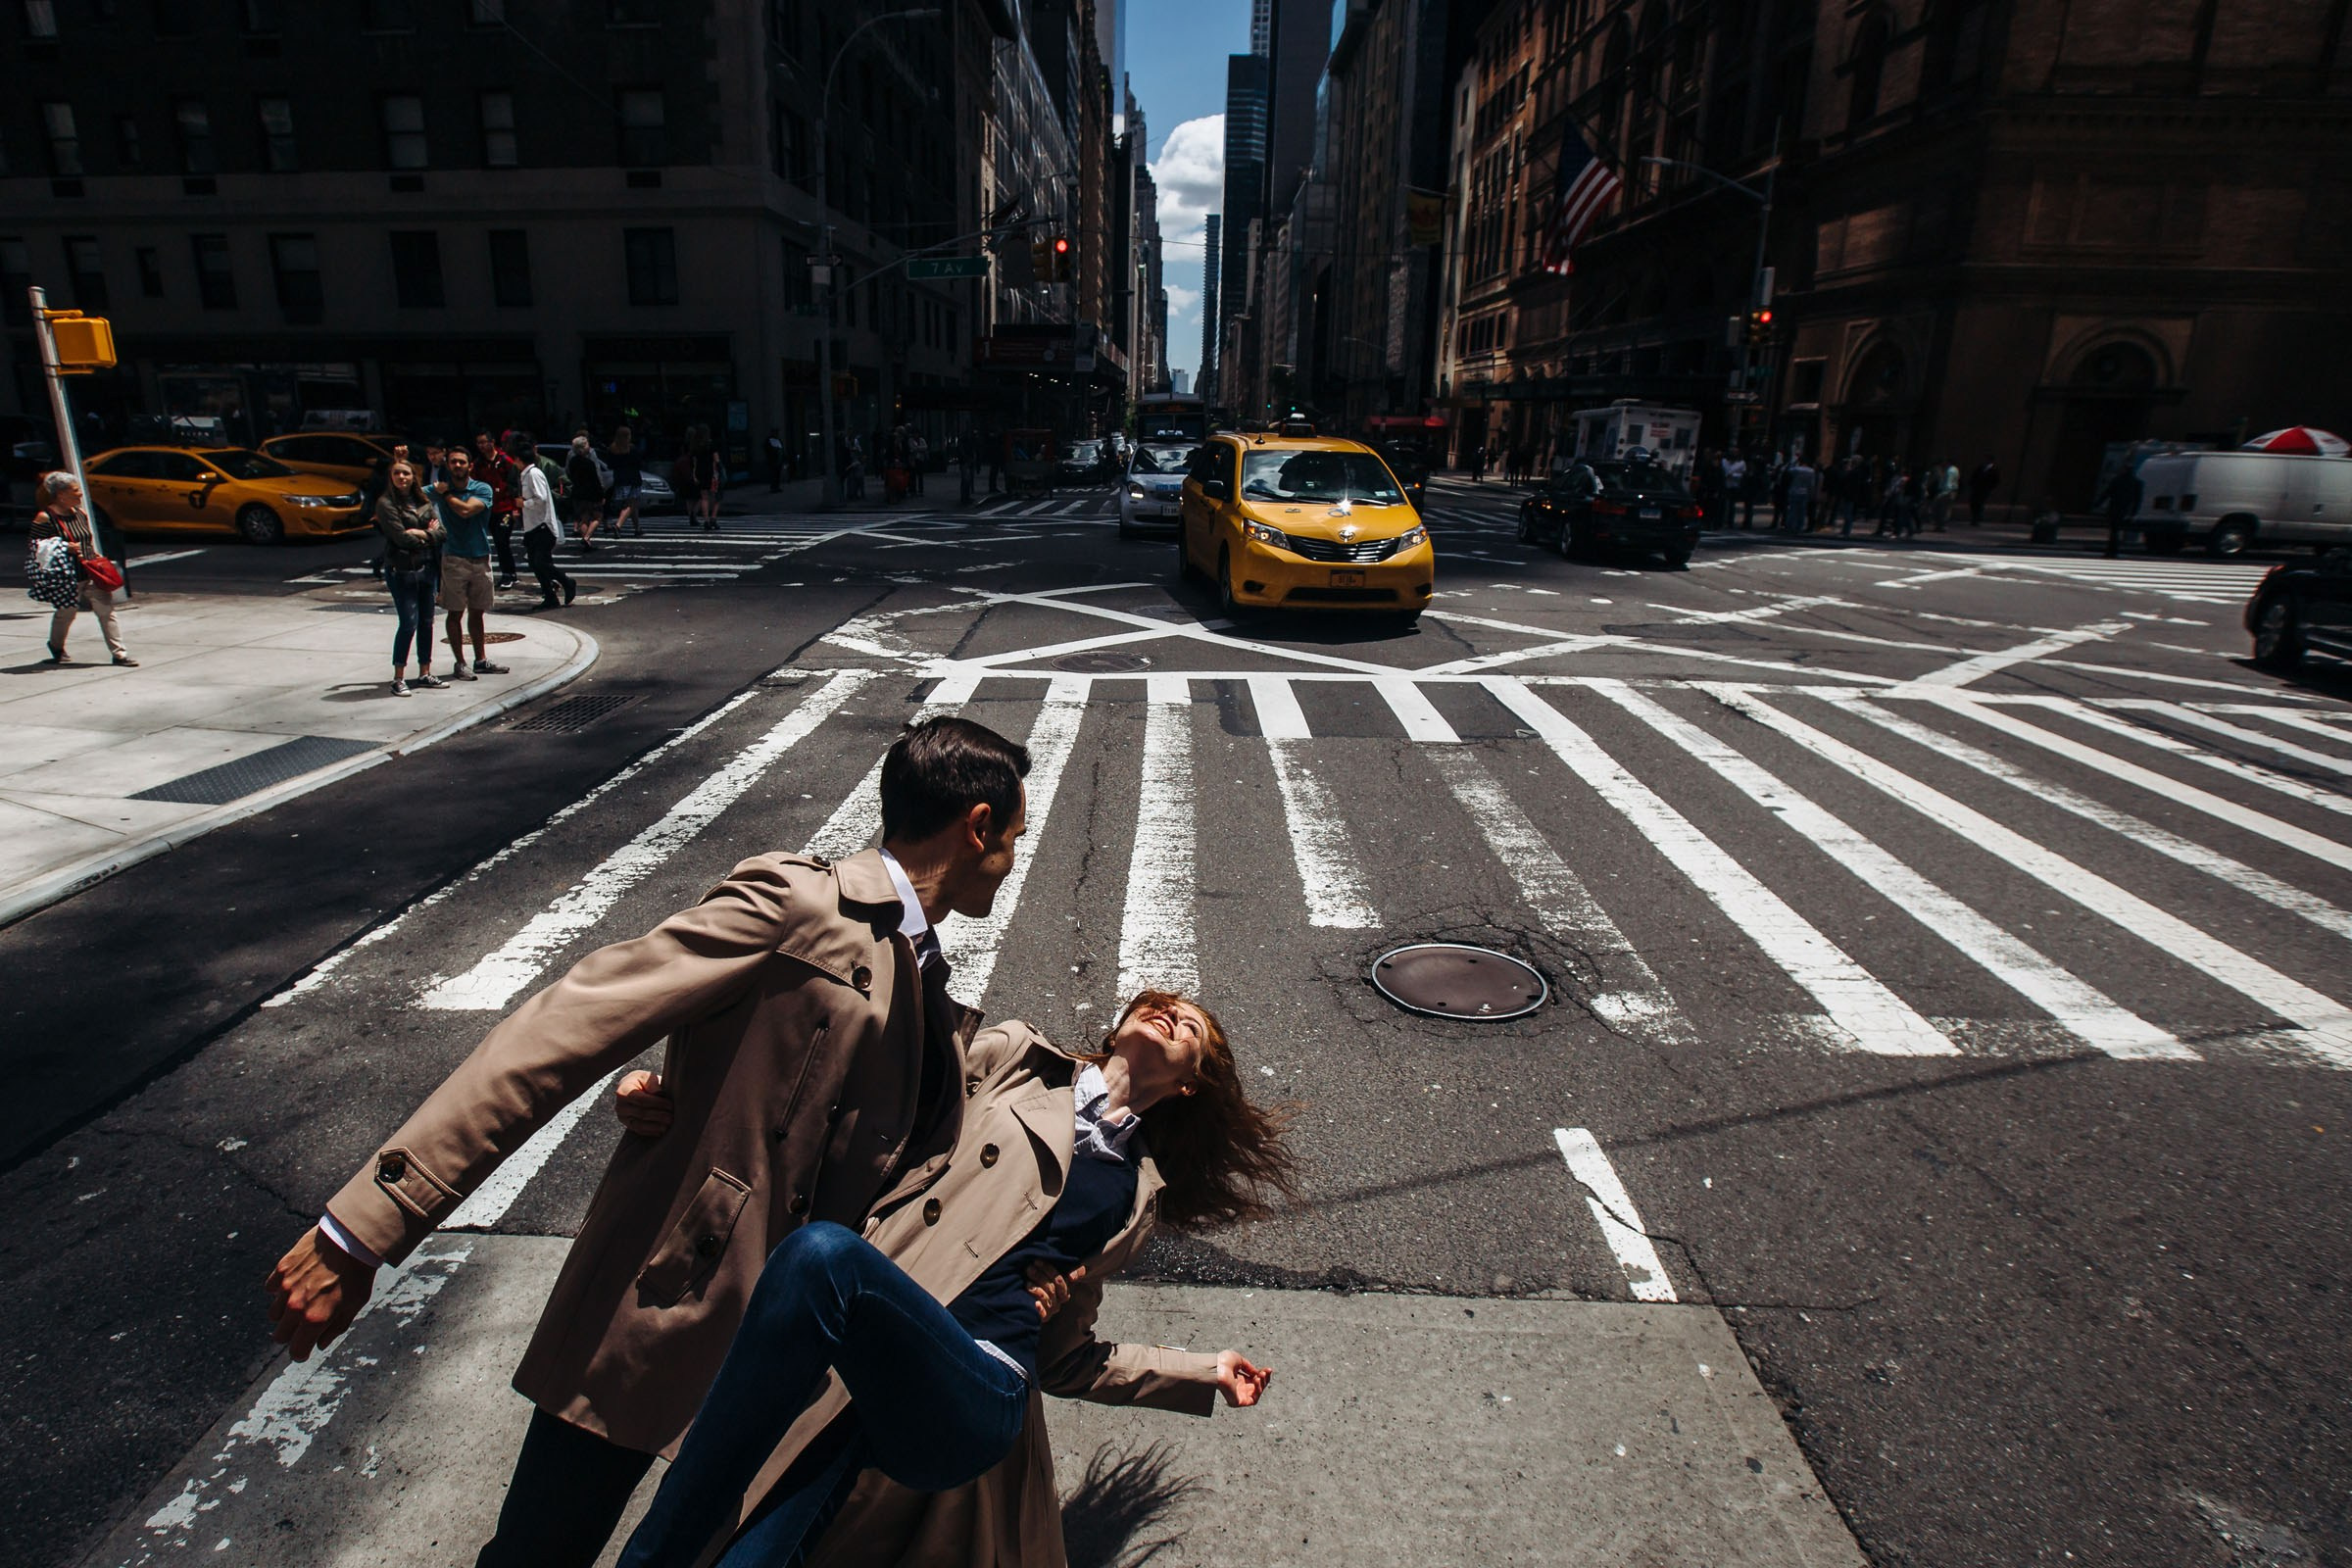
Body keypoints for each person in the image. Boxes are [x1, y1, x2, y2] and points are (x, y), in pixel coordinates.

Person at [262, 717, 1035, 1568]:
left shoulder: (920, 971)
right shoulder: (800, 906)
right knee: (538, 1553)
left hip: (780, 1364)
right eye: (1014, 838)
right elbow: (574, 1019)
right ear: (977, 825)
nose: (1011, 860)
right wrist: (365, 1227)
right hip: (670, 1304)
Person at [612, 992, 1290, 1568]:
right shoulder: (1017, 1059)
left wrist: (1204, 1370)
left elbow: (1066, 1360)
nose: (1168, 1012)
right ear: (1116, 1031)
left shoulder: (1136, 1197)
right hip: (874, 1336)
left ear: (1190, 1083)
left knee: (824, 1256)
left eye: (1190, 1025)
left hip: (981, 1377)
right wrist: (680, 1097)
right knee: (769, 1530)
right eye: (1156, 1003)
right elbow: (862, 1096)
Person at [29, 471, 134, 666]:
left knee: (107, 612)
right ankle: (56, 647)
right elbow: (35, 546)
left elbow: (88, 541)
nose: (80, 495)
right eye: (76, 491)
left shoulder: (80, 514)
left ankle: (119, 654)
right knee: (66, 613)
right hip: (67, 576)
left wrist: (96, 560)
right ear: (61, 494)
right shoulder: (45, 517)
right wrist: (64, 547)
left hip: (91, 572)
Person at [432, 448, 509, 682]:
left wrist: (445, 496)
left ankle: (481, 659)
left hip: (480, 557)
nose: (457, 466)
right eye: (453, 462)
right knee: (455, 613)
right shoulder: (439, 488)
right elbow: (409, 494)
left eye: (462, 462)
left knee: (478, 612)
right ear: (448, 464)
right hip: (453, 558)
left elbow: (467, 511)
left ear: (469, 466)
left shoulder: (481, 489)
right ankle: (461, 662)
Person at [374, 458, 446, 695]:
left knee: (427, 622)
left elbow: (442, 533)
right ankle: (398, 677)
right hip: (402, 570)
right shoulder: (386, 504)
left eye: (406, 473)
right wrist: (428, 533)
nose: (402, 477)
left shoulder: (423, 501)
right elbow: (400, 537)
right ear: (391, 477)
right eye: (397, 473)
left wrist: (419, 532)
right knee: (408, 623)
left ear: (414, 476)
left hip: (427, 569)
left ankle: (425, 672)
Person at [510, 433, 577, 608]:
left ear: (518, 459)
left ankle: (567, 582)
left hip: (543, 526)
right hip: (533, 526)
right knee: (536, 563)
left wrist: (524, 503)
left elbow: (541, 499)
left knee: (541, 562)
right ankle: (550, 596)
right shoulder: (526, 474)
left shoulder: (533, 474)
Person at [475, 431, 520, 590]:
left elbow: (515, 484)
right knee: (497, 542)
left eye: (483, 442)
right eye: (479, 443)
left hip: (505, 508)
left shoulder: (504, 460)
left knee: (502, 540)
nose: (481, 446)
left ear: (492, 442)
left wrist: (515, 508)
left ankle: (508, 574)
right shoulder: (479, 463)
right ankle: (510, 573)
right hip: (489, 509)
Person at [565, 432, 608, 552]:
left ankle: (586, 540)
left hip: (578, 492)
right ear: (583, 447)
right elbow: (596, 479)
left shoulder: (573, 461)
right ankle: (587, 537)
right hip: (591, 493)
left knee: (583, 517)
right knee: (597, 517)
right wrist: (601, 493)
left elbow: (568, 473)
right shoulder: (589, 463)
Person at [606, 425, 646, 538]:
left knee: (632, 505)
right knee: (631, 504)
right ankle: (618, 525)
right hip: (633, 478)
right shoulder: (632, 449)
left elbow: (610, 465)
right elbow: (639, 463)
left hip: (620, 478)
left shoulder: (612, 449)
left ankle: (637, 528)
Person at [2100, 462, 2143, 560]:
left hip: (2115, 507)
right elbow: (2138, 499)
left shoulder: (2117, 480)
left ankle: (2111, 551)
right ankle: (2114, 550)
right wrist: (2134, 512)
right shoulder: (2137, 483)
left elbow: (2107, 493)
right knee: (2117, 531)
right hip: (2126, 510)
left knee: (2113, 531)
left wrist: (2098, 503)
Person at [690, 427, 723, 531]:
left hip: (700, 472)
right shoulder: (711, 445)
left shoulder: (695, 446)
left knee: (704, 497)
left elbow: (694, 462)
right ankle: (713, 517)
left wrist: (694, 475)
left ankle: (706, 520)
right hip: (711, 473)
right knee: (715, 496)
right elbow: (716, 460)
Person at [1782, 455, 1818, 535]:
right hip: (1804, 492)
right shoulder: (1811, 471)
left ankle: (1790, 526)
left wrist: (1794, 463)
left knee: (1792, 510)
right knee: (1802, 511)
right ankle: (1799, 527)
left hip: (1794, 491)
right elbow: (1811, 484)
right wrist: (1812, 493)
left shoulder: (1795, 470)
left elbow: (1786, 471)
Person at [1967, 458, 2000, 526]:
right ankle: (1974, 517)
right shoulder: (1980, 468)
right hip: (1976, 488)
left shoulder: (1994, 470)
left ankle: (1976, 520)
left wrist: (1990, 488)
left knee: (1980, 504)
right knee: (1973, 503)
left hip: (1985, 490)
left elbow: (1996, 480)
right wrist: (1971, 485)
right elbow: (1974, 476)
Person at [765, 425, 785, 492]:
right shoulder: (769, 440)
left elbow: (782, 449)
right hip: (773, 460)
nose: (777, 434)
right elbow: (766, 449)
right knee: (774, 475)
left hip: (778, 460)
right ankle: (773, 488)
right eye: (776, 432)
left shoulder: (778, 440)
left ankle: (776, 487)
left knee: (777, 474)